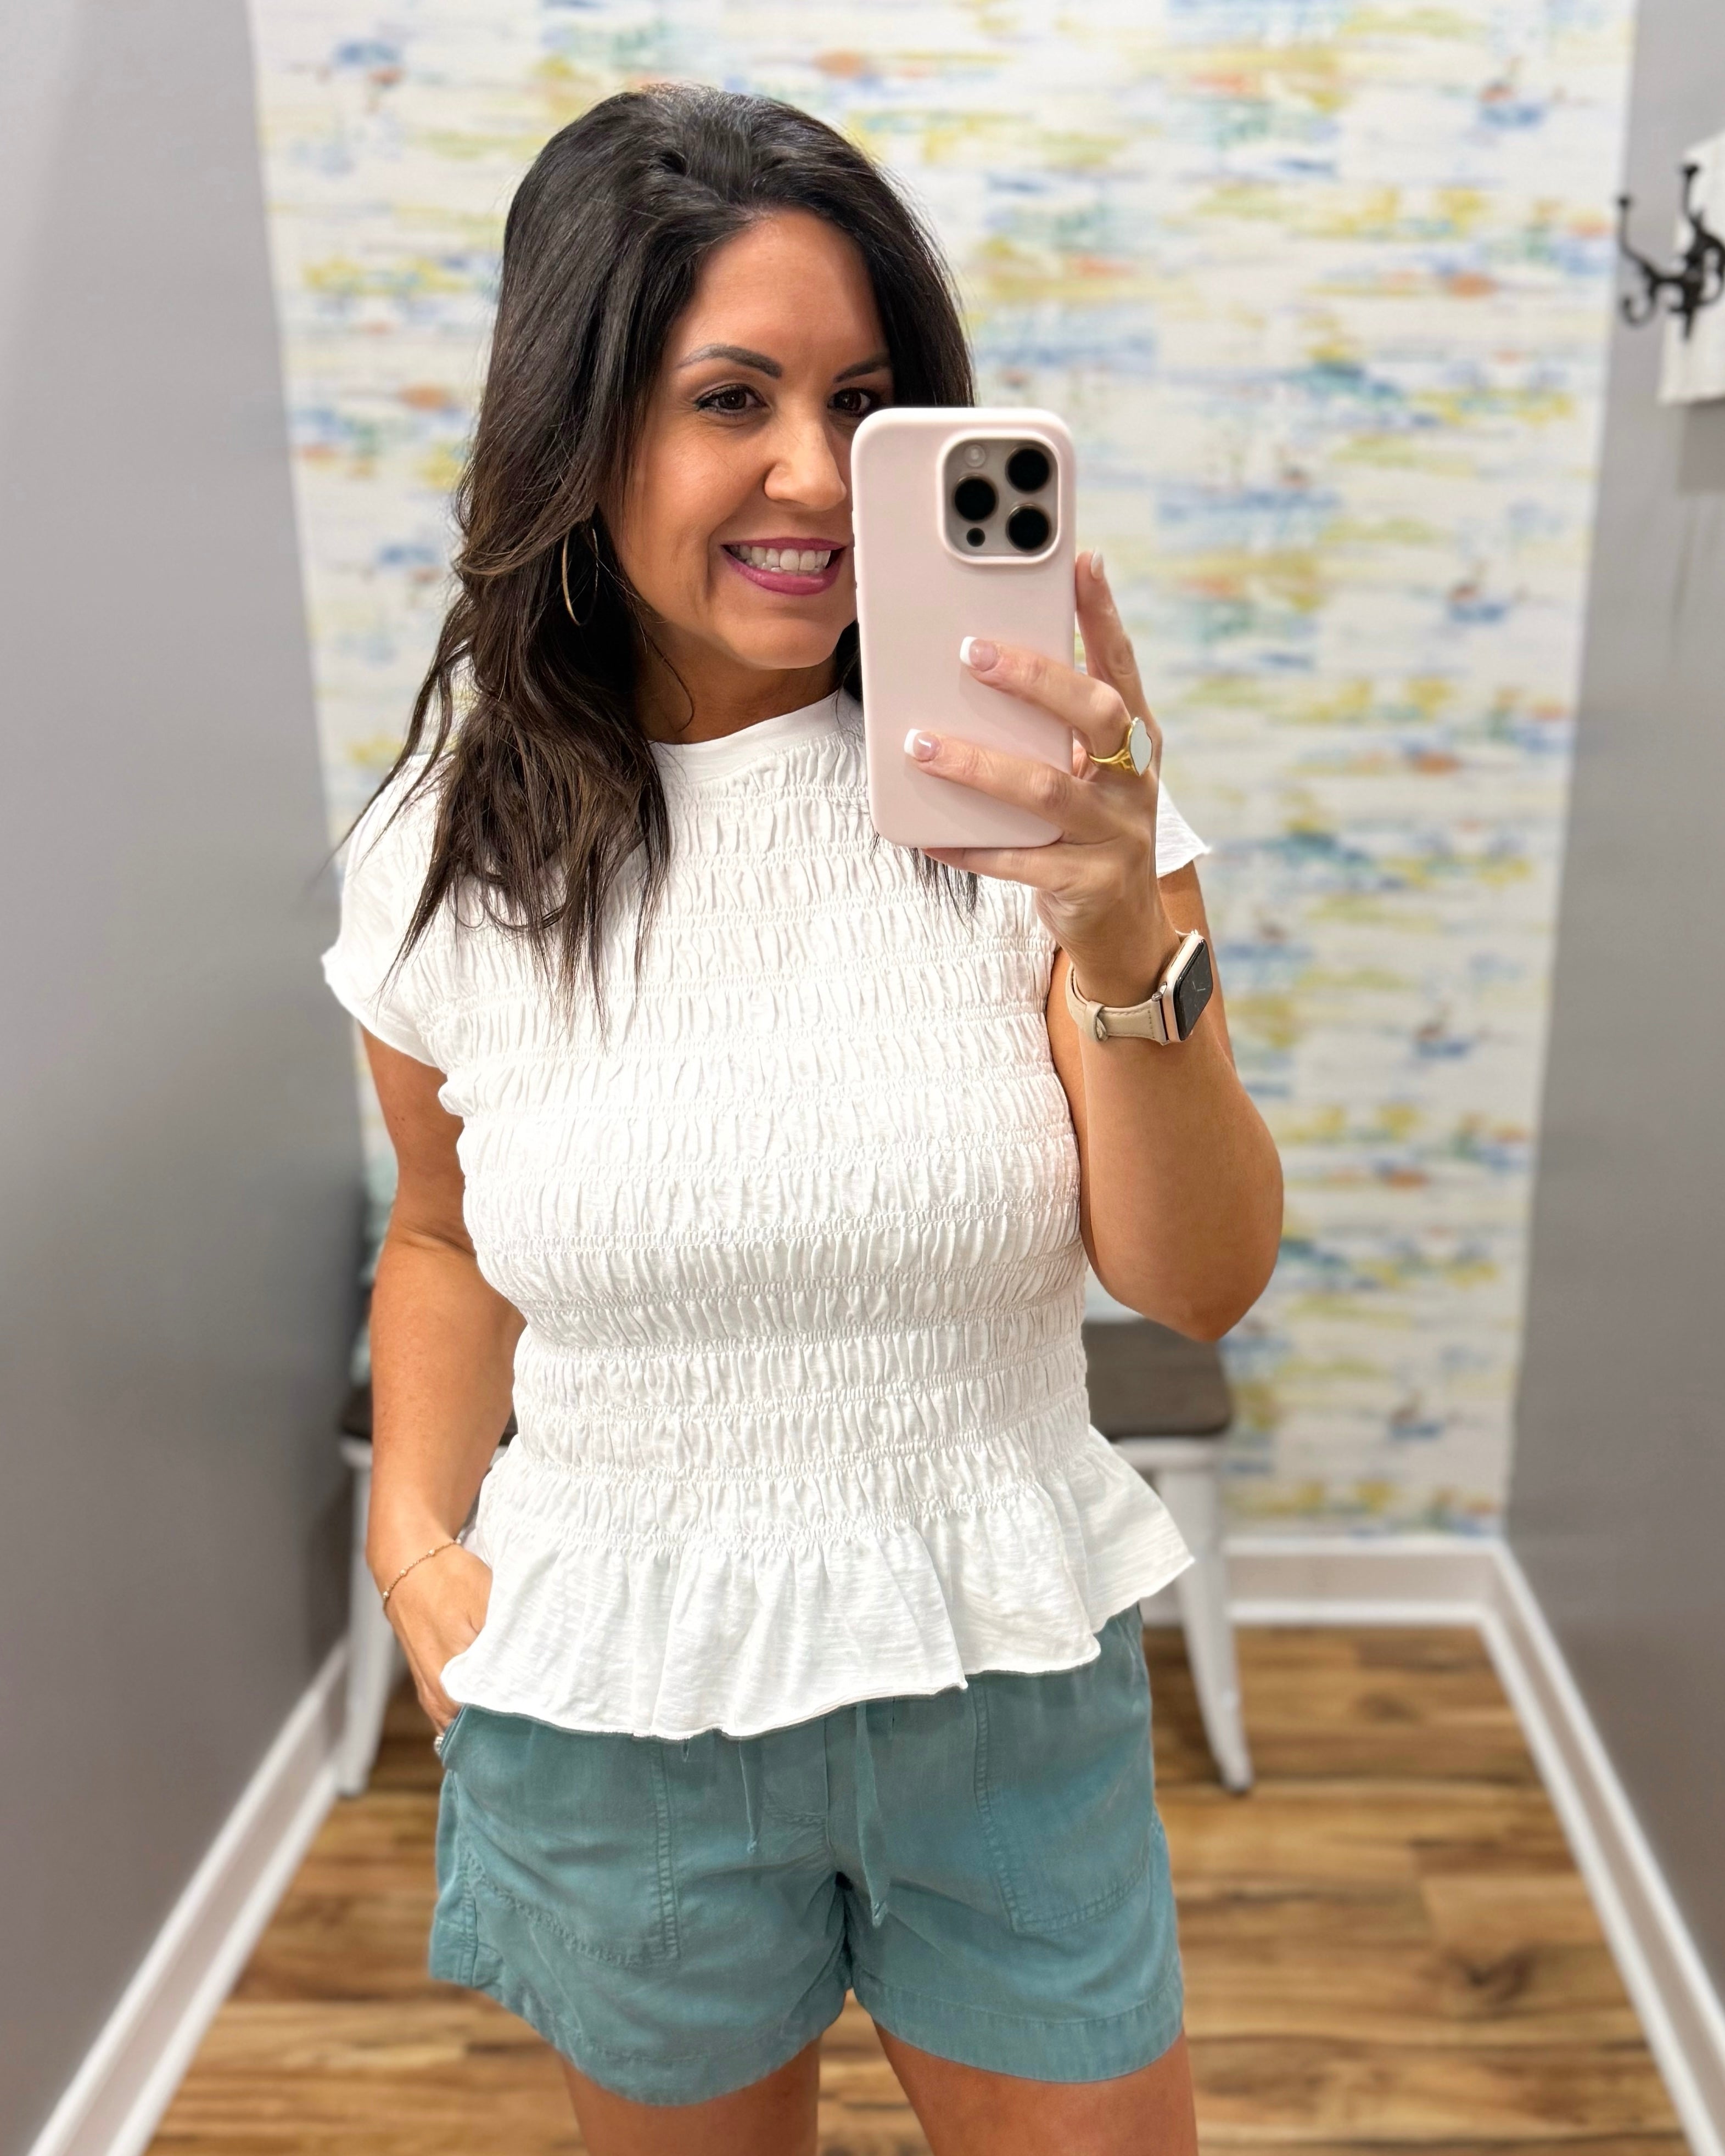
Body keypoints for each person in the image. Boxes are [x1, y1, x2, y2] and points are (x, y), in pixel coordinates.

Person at [323, 81, 1281, 2156]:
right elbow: (444, 1230)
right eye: (726, 396)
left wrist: (1123, 919)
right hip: (620, 1703)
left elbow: (1198, 1284)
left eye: (864, 404)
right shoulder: (443, 855)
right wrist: (409, 1540)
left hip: (998, 1674)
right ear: (578, 432)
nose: (812, 475)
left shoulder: (1046, 797)